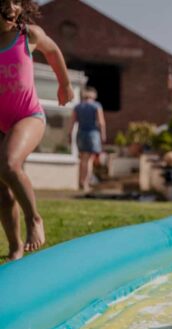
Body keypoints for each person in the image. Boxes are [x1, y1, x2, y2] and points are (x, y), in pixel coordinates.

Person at [0, 0, 74, 260]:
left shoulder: (27, 34)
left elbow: (52, 51)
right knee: (3, 190)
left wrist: (64, 84)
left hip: (27, 116)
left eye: (17, 2)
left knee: (9, 164)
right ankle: (14, 248)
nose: (12, 8)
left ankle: (34, 219)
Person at [68, 86, 106, 192]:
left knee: (83, 159)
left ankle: (81, 181)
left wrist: (70, 135)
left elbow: (72, 122)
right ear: (94, 95)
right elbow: (101, 122)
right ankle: (86, 183)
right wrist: (103, 135)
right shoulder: (96, 106)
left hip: (80, 134)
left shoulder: (77, 106)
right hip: (92, 134)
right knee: (89, 160)